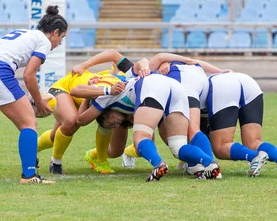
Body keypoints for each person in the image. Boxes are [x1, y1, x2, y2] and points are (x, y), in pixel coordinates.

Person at [0, 6, 67, 184]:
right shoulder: (43, 41)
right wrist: (40, 102)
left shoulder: (23, 33)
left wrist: (29, 98)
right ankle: (29, 176)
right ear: (55, 32)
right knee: (29, 123)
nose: (59, 43)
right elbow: (29, 75)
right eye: (61, 38)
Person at [76, 62, 221, 181]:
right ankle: (210, 163)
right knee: (178, 146)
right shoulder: (124, 100)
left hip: (152, 86)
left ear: (104, 114)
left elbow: (80, 118)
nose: (116, 126)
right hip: (175, 87)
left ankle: (159, 165)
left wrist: (100, 93)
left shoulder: (102, 97)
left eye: (110, 123)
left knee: (140, 140)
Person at [200, 72, 277, 178]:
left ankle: (255, 157)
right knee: (253, 142)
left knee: (221, 147)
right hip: (247, 81)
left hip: (221, 86)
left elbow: (195, 131)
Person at [36, 67, 128, 175]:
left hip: (84, 96)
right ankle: (55, 163)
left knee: (53, 137)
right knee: (71, 122)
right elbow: (76, 91)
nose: (117, 126)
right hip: (65, 88)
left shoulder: (123, 86)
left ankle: (31, 148)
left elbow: (116, 65)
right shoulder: (109, 91)